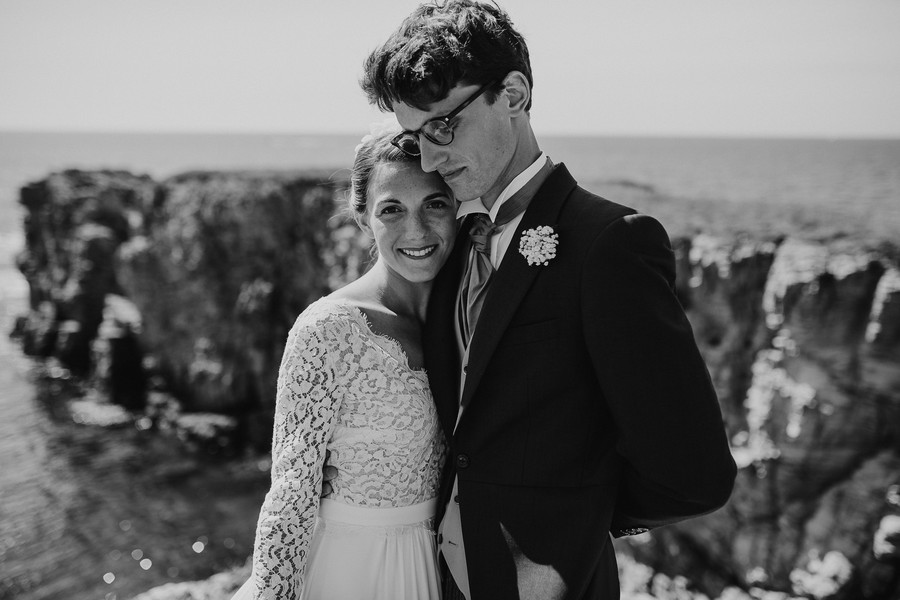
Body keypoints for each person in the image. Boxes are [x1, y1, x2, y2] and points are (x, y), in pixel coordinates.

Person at [360, 1, 738, 598]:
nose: (429, 159)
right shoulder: (450, 244)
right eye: (415, 137)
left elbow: (694, 474)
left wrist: (574, 514)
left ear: (512, 94)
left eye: (442, 127)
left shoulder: (610, 244)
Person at [231, 125, 457, 600]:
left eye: (434, 203)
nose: (416, 231)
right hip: (348, 570)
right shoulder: (329, 329)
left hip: (440, 568)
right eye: (391, 209)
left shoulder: (467, 315)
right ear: (362, 216)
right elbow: (291, 489)